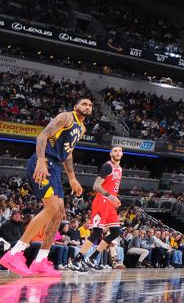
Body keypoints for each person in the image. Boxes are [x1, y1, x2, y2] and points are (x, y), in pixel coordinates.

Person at [0, 97, 92, 277]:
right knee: (50, 208)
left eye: (90, 105)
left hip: (56, 166)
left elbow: (68, 153)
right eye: (84, 104)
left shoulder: (82, 128)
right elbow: (42, 135)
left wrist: (72, 178)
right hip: (44, 162)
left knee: (58, 215)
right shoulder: (66, 117)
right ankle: (15, 253)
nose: (88, 107)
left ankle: (41, 260)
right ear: (76, 107)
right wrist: (41, 161)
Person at [69, 145, 124, 273]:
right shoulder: (107, 166)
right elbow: (96, 186)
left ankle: (92, 258)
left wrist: (115, 198)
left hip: (110, 203)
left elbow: (111, 187)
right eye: (115, 150)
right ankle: (76, 260)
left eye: (120, 151)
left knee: (115, 232)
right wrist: (110, 196)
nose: (117, 152)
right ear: (111, 153)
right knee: (97, 233)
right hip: (102, 201)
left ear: (122, 154)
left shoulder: (119, 169)